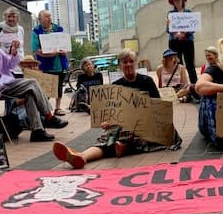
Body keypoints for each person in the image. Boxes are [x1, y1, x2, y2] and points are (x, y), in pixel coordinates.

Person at [51, 49, 180, 169]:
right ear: (120, 65)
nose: (128, 64)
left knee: (132, 135)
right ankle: (82, 156)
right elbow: (111, 114)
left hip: (146, 125)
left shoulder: (147, 81)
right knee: (108, 138)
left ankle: (123, 147)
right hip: (123, 126)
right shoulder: (115, 86)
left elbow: (158, 107)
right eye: (125, 62)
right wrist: (106, 122)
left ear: (135, 63)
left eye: (131, 61)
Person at [0, 22, 67, 142]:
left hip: (8, 83)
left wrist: (14, 51)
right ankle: (49, 116)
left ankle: (37, 131)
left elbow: (11, 65)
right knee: (32, 82)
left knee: (30, 93)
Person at [30, 10, 69, 116]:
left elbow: (65, 45)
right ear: (40, 19)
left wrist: (64, 51)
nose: (49, 18)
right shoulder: (36, 31)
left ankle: (58, 108)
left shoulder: (59, 29)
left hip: (59, 63)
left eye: (50, 16)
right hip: (45, 65)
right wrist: (50, 54)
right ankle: (44, 110)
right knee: (45, 88)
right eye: (46, 16)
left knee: (59, 86)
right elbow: (36, 49)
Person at [166, 0, 197, 84]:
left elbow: (194, 27)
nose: (177, 2)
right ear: (173, 2)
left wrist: (185, 34)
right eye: (175, 0)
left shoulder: (189, 12)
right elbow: (168, 29)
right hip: (175, 42)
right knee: (177, 65)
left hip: (187, 41)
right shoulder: (170, 13)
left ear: (183, 0)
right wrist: (175, 34)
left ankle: (194, 87)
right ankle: (181, 86)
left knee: (190, 65)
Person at [0, 7, 26, 78]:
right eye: (9, 16)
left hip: (19, 66)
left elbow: (21, 47)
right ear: (5, 17)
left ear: (18, 18)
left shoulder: (20, 29)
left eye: (14, 17)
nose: (11, 19)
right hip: (5, 66)